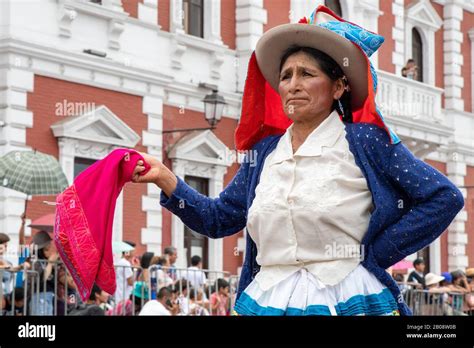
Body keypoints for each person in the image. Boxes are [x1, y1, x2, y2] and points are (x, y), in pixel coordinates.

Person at [130, 5, 464, 316]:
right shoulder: (264, 154)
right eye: (286, 75)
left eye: (306, 74)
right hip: (266, 299)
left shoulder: (364, 141)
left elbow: (443, 197)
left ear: (338, 86)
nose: (293, 85)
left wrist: (375, 254)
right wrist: (164, 177)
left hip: (348, 297)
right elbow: (218, 219)